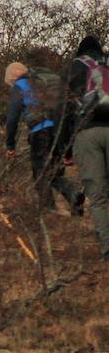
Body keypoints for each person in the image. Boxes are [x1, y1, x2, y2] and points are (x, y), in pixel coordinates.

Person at [4, 62, 83, 213]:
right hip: (59, 129)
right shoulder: (41, 82)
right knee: (53, 171)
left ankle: (49, 212)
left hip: (41, 132)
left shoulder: (20, 85)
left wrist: (10, 145)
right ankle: (74, 197)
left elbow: (12, 118)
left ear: (12, 77)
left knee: (40, 173)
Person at [69, 36, 109, 259]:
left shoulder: (77, 65)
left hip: (87, 132)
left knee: (97, 197)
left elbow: (67, 105)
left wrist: (65, 149)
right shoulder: (106, 63)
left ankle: (107, 248)